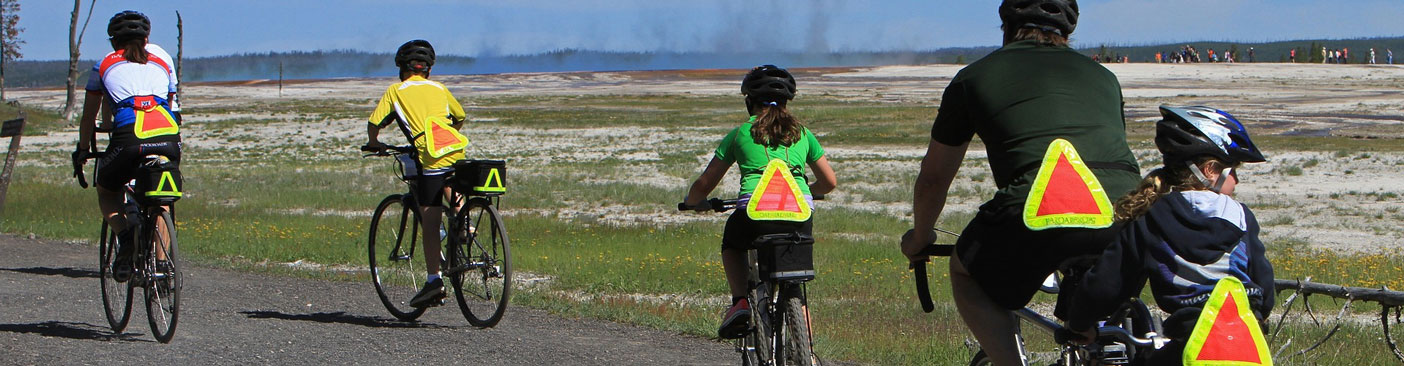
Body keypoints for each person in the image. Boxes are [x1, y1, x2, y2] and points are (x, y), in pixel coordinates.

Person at [900, 1, 1141, 365]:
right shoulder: (1105, 77)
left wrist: (920, 237)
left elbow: (934, 179)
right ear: (1068, 32)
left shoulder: (974, 77)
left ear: (1007, 27)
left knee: (965, 272)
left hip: (1035, 206)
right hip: (1130, 211)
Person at [1066, 106, 1274, 365]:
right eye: (1234, 171)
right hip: (1244, 347)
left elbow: (1109, 282)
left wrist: (1080, 322)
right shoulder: (1242, 216)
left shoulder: (1152, 216)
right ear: (1210, 170)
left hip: (1188, 347)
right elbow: (1264, 285)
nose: (1237, 181)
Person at [682, 65, 837, 339]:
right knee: (796, 285)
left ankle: (740, 301)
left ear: (749, 101)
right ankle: (808, 352)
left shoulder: (741, 133)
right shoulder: (802, 133)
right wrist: (805, 191)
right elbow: (829, 182)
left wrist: (694, 202)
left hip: (754, 214)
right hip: (799, 213)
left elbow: (705, 183)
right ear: (787, 103)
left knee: (732, 244)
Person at [74, 10, 181, 282]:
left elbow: (89, 116)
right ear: (147, 39)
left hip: (129, 137)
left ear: (113, 42)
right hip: (168, 136)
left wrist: (83, 149)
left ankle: (125, 238)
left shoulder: (103, 65)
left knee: (107, 189)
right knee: (162, 198)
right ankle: (161, 265)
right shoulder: (163, 63)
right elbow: (168, 105)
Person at [365, 39, 469, 308]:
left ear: (402, 68)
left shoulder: (396, 91)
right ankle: (464, 223)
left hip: (428, 156)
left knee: (430, 216)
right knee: (451, 182)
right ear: (428, 70)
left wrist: (375, 142)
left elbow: (374, 123)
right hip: (454, 149)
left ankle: (433, 280)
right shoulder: (440, 88)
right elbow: (460, 116)